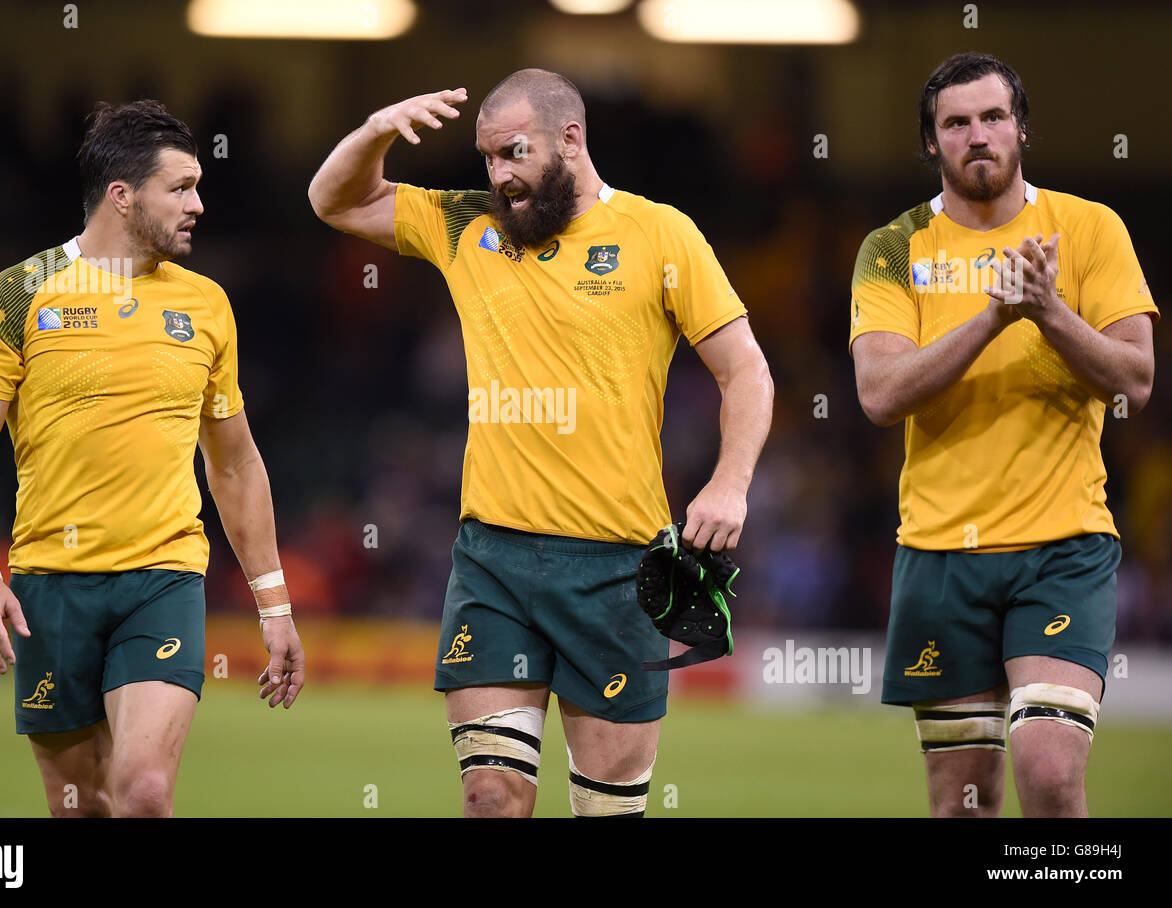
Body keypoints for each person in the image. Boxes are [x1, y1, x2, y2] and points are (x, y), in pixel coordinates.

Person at [310, 69, 773, 817]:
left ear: (571, 139)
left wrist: (730, 483)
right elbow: (334, 199)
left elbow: (746, 370)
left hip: (618, 568)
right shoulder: (467, 225)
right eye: (487, 159)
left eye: (514, 153)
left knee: (605, 811)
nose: (499, 177)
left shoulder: (661, 233)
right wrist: (378, 128)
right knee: (491, 796)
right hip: (494, 563)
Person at [0, 100, 305, 817]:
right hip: (50, 586)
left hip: (162, 581)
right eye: (182, 188)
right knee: (81, 806)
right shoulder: (19, 294)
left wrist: (276, 605)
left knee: (142, 793)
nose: (199, 204)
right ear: (122, 196)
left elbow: (233, 465)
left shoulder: (206, 306)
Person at [849, 52, 1157, 817]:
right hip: (940, 554)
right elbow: (880, 394)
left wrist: (1048, 310)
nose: (976, 135)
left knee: (1050, 775)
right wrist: (994, 314)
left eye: (993, 117)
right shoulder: (893, 247)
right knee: (963, 802)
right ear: (932, 143)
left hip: (1062, 547)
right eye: (956, 123)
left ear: (1022, 128)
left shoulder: (1089, 229)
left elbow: (1136, 379)